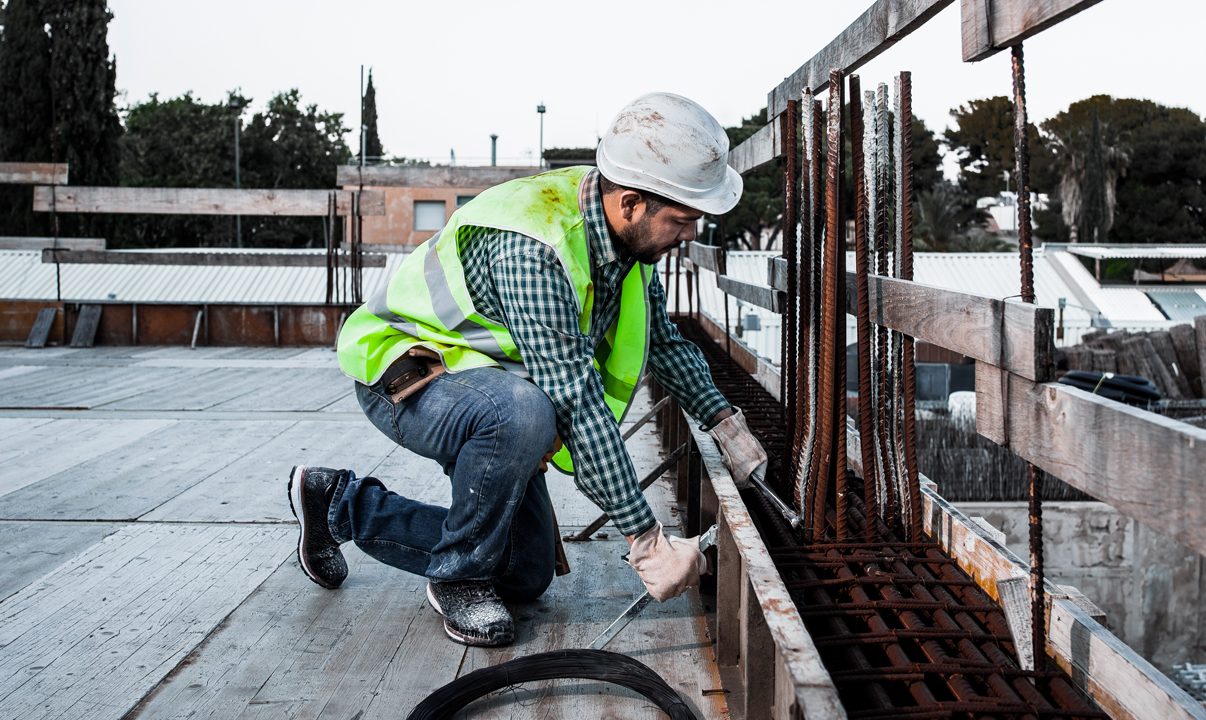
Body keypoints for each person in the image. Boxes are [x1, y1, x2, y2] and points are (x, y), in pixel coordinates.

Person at [288, 92, 767, 648]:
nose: (691, 235)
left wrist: (724, 421)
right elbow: (575, 402)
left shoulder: (623, 240)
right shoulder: (537, 245)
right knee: (525, 413)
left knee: (524, 571)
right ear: (632, 202)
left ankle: (340, 506)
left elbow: (662, 341)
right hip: (407, 375)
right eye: (684, 220)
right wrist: (647, 540)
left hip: (483, 386)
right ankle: (459, 578)